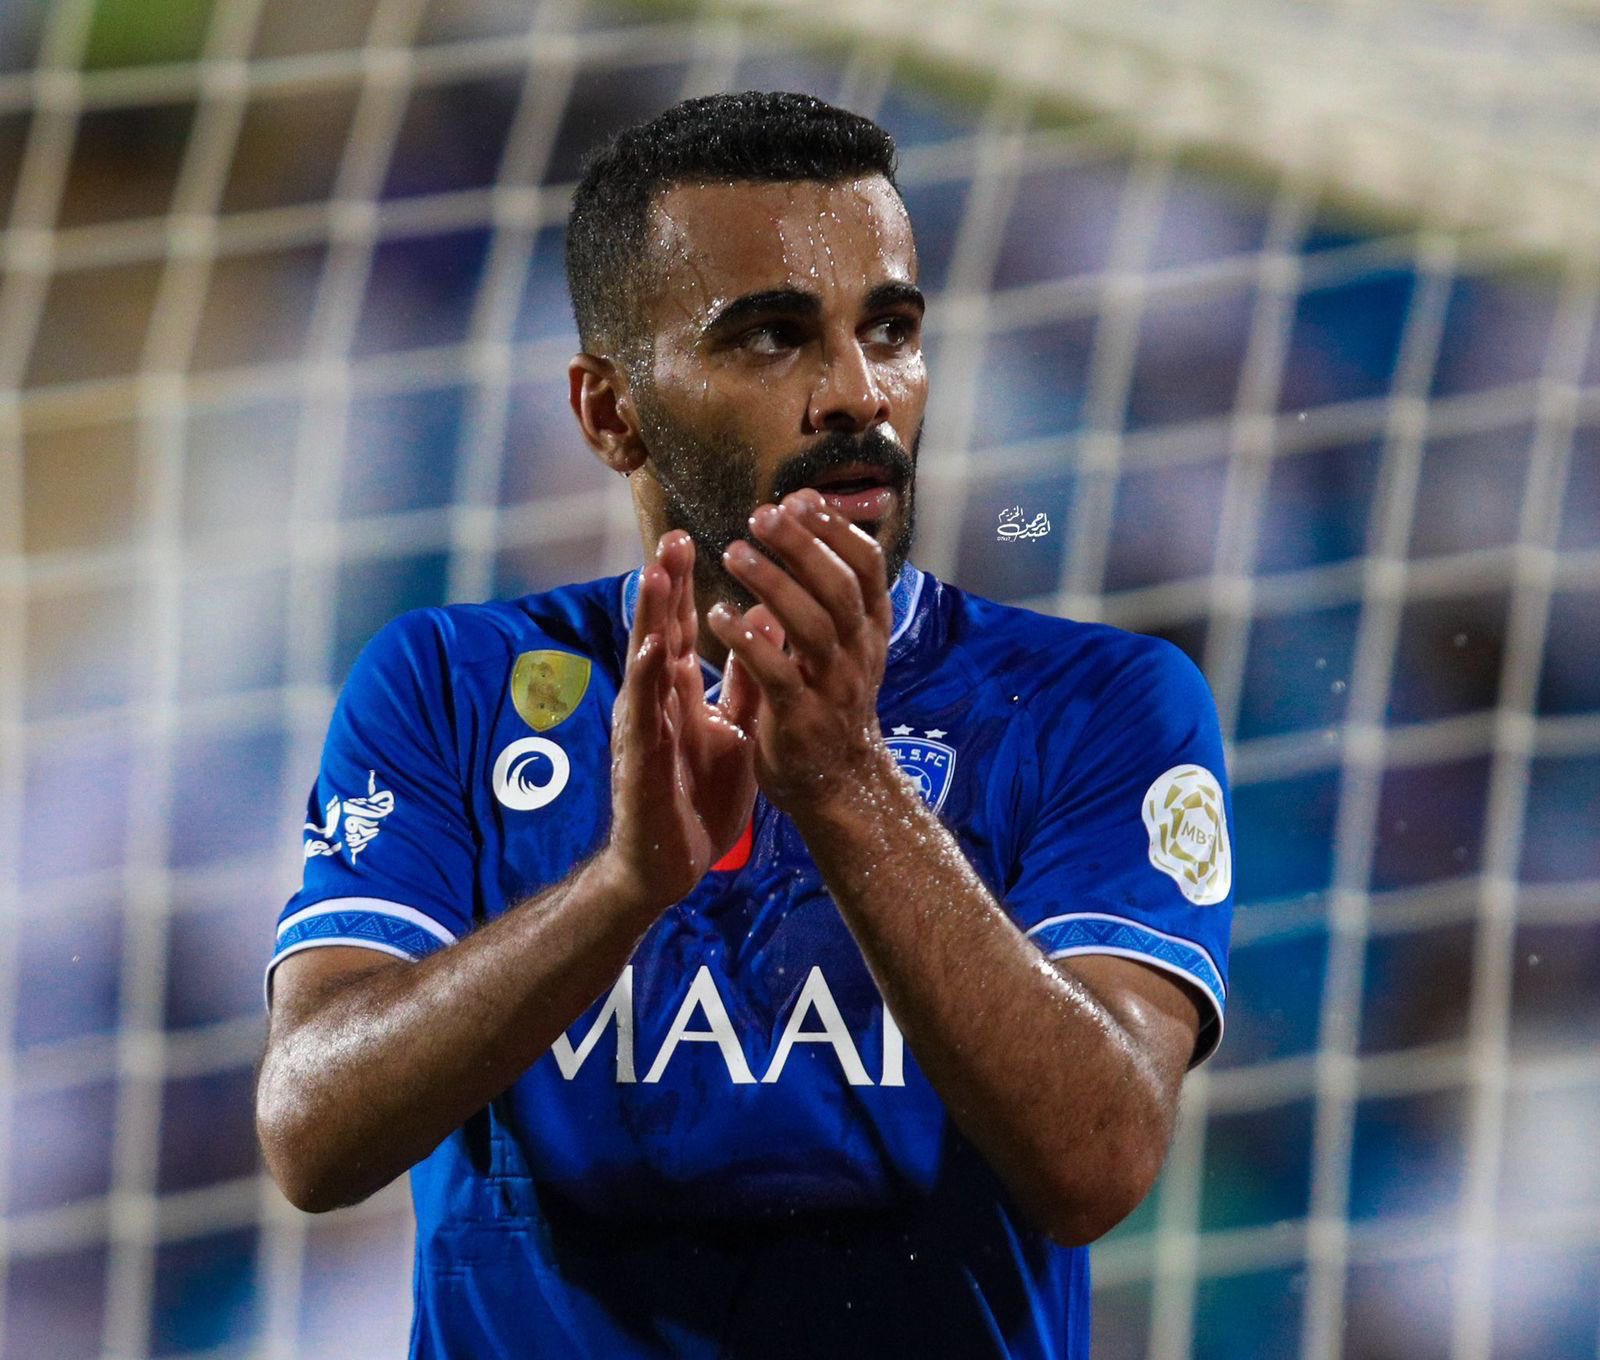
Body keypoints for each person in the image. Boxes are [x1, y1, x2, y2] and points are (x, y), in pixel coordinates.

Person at [255, 91, 1235, 1359]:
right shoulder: (450, 683)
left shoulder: (1097, 702)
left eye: (890, 331)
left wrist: (843, 781)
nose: (857, 394)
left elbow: (1096, 1162)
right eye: (773, 338)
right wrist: (618, 891)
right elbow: (311, 1134)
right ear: (610, 412)